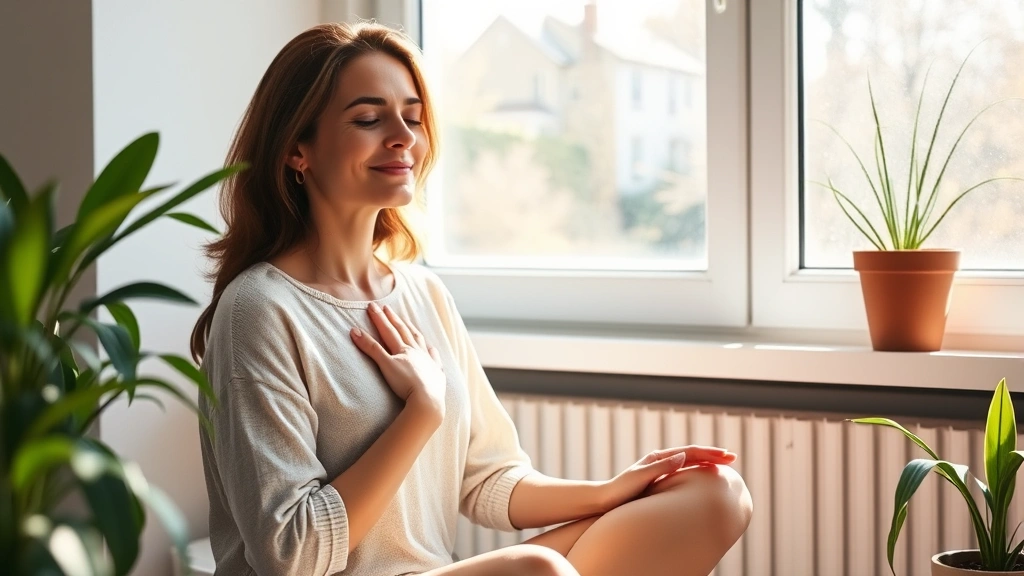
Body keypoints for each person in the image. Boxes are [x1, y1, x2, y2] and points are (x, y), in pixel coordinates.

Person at [189, 21, 752, 576]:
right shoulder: (259, 310)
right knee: (537, 570)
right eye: (368, 118)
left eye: (412, 117)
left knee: (713, 493)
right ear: (296, 150)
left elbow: (487, 480)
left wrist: (609, 491)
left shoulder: (422, 292)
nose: (403, 137)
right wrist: (422, 411)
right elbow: (291, 556)